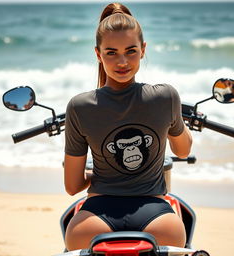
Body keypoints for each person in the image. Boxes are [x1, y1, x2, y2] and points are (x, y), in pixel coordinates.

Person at [64, 2, 192, 251]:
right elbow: (183, 150)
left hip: (93, 220)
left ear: (142, 50)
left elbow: (72, 186)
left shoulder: (79, 106)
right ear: (98, 54)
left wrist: (102, 175)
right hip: (159, 220)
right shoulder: (166, 97)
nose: (122, 61)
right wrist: (175, 119)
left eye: (130, 51)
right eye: (112, 52)